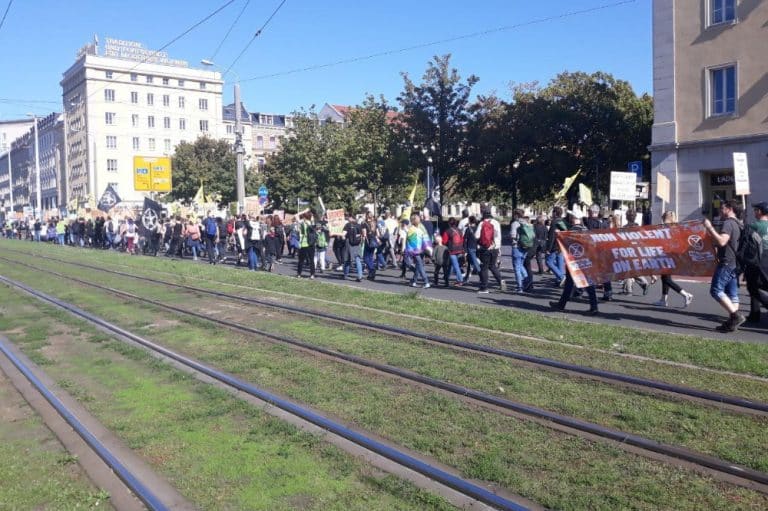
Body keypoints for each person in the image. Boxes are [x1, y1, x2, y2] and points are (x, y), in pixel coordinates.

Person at [704, 200, 745, 332]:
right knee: (732, 293)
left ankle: (735, 316)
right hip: (734, 263)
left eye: (722, 208)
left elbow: (722, 241)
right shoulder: (739, 223)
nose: (720, 211)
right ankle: (732, 323)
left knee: (716, 290)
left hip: (726, 262)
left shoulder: (728, 223)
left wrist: (710, 228)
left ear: (729, 209)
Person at [550, 209, 599, 315]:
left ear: (574, 218)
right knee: (584, 283)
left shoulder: (573, 230)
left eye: (572, 216)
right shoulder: (585, 229)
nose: (570, 218)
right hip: (584, 259)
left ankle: (562, 305)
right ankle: (593, 306)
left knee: (572, 283)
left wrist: (560, 235)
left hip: (574, 260)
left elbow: (569, 244)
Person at [652, 211, 694, 308]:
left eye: (663, 216)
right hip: (671, 255)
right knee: (665, 277)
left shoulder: (667, 227)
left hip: (667, 255)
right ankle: (663, 299)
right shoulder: (675, 227)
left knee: (666, 279)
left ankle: (686, 295)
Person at [745, 201, 768, 323]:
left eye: (756, 210)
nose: (754, 212)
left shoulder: (755, 225)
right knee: (754, 284)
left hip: (759, 257)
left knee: (753, 286)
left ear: (760, 211)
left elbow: (747, 243)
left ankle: (755, 313)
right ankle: (754, 314)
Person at [474, 207, 504, 294]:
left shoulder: (482, 223)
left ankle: (484, 288)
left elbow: (477, 236)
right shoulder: (496, 223)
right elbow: (498, 236)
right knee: (492, 266)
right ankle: (500, 281)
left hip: (485, 248)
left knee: (484, 267)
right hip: (495, 247)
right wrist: (498, 247)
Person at [621, 210, 649, 295]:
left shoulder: (624, 228)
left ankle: (629, 290)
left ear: (626, 217)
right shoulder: (638, 227)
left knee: (627, 269)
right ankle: (643, 283)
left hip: (627, 250)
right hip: (636, 251)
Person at [404, 213, 432, 288]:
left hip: (413, 251)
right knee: (419, 266)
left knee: (419, 266)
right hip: (420, 250)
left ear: (412, 221)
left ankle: (426, 282)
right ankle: (414, 281)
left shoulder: (411, 229)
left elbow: (408, 240)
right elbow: (424, 238)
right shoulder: (420, 228)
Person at [545, 207, 568, 287]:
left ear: (555, 213)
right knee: (560, 262)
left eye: (552, 212)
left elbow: (551, 236)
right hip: (561, 245)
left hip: (554, 245)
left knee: (548, 262)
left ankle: (561, 277)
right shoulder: (563, 221)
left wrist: (548, 248)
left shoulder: (554, 222)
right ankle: (559, 280)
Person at [441, 217, 465, 286]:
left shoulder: (447, 231)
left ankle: (460, 280)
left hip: (452, 250)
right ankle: (446, 277)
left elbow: (444, 241)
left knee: (455, 266)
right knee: (452, 265)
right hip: (460, 249)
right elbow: (462, 240)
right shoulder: (459, 230)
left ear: (448, 223)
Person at [342, 214, 364, 282]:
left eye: (349, 217)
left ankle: (345, 274)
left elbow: (343, 235)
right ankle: (360, 276)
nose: (348, 218)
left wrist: (342, 237)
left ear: (351, 218)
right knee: (357, 259)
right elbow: (362, 235)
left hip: (349, 243)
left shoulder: (348, 225)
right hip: (357, 244)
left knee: (347, 259)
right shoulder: (358, 225)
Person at [297, 211, 316, 279]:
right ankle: (312, 274)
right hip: (310, 243)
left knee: (302, 260)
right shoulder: (311, 223)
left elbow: (301, 234)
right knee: (310, 260)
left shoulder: (305, 223)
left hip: (306, 243)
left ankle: (299, 273)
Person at [463, 215, 482, 282]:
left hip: (470, 247)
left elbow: (465, 239)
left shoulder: (468, 229)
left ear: (470, 221)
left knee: (474, 263)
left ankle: (482, 276)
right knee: (469, 262)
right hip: (477, 247)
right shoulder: (477, 228)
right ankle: (466, 277)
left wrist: (465, 250)